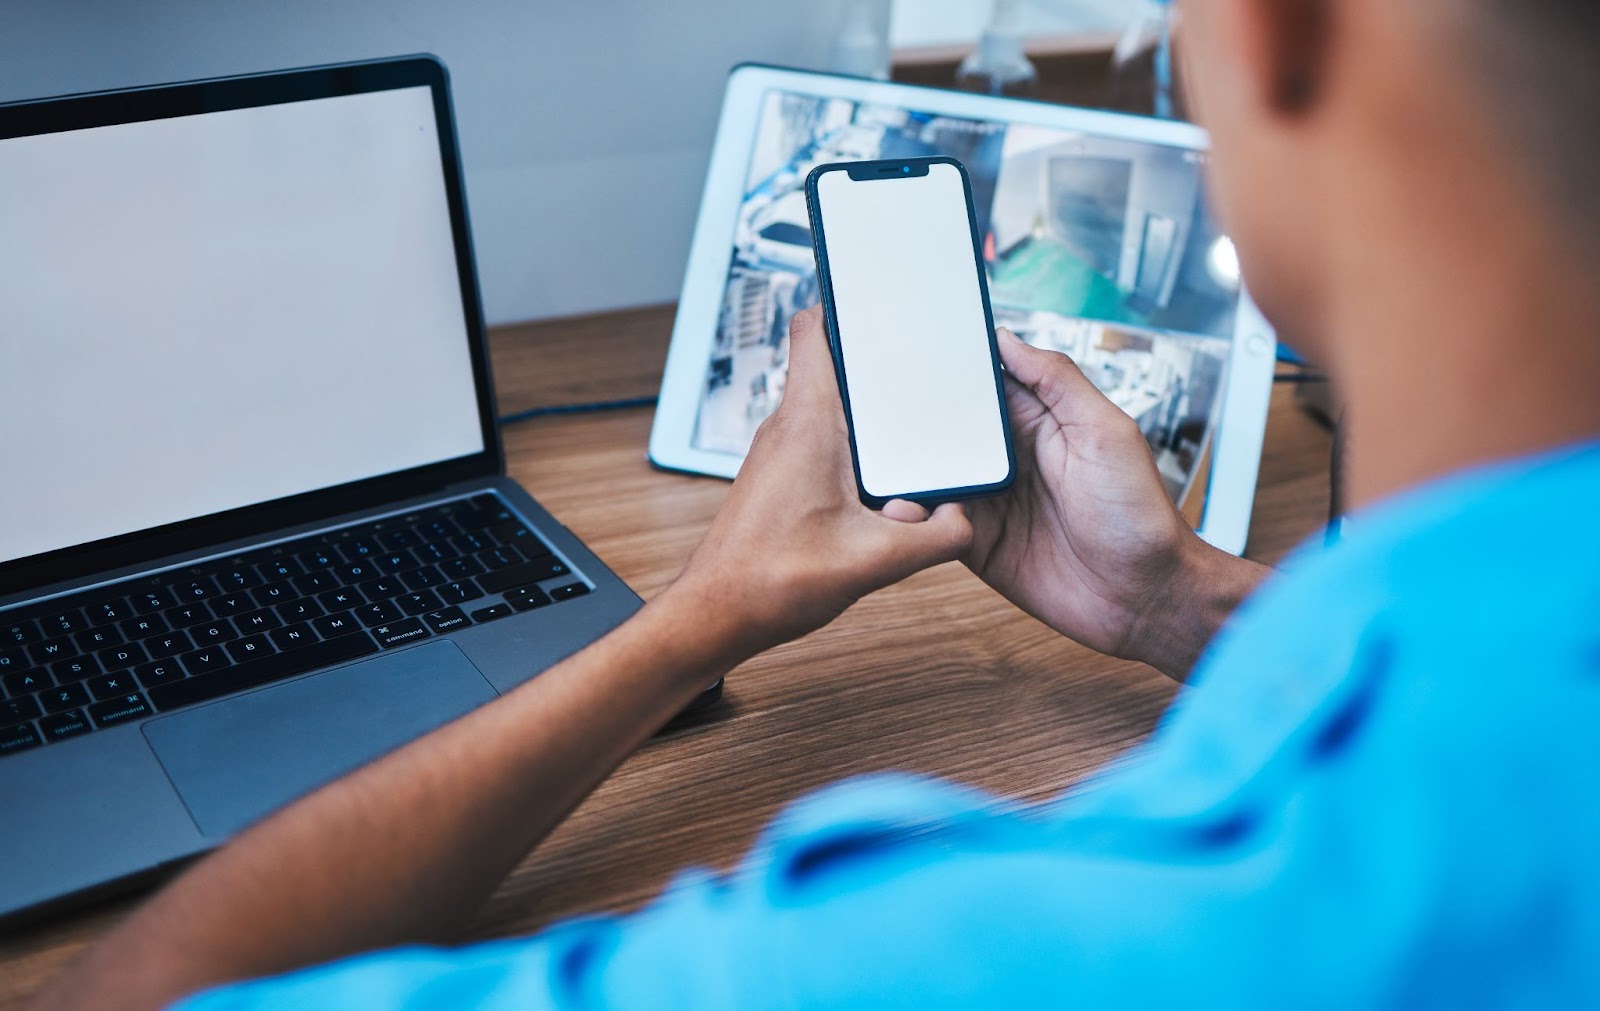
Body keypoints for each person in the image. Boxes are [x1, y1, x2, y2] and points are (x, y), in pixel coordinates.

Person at [31, 0, 1600, 1006]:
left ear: (1280, 32)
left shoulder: (977, 952)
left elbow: (142, 990)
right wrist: (1172, 599)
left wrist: (695, 620)